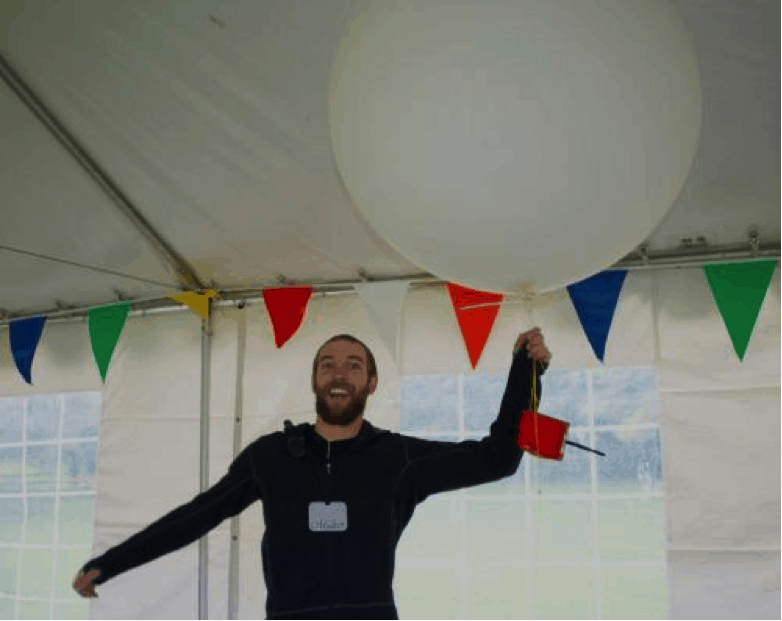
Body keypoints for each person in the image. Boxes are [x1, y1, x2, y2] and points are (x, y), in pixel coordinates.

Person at [73, 329, 551, 619]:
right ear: (314, 380)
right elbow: (198, 515)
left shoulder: (400, 458)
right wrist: (111, 562)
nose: (338, 373)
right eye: (327, 364)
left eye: (353, 364)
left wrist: (525, 374)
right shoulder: (269, 456)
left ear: (371, 382)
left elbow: (498, 459)